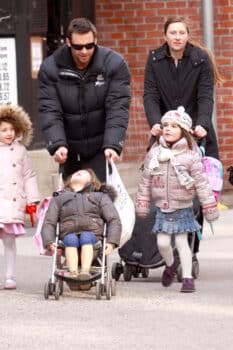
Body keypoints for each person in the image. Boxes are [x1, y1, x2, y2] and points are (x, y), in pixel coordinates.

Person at [143, 16, 222, 254]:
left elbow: (206, 95)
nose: (177, 37)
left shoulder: (200, 59)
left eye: (181, 33)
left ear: (188, 35)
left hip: (196, 132)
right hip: (166, 133)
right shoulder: (155, 59)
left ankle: (191, 249)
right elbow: (150, 95)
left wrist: (202, 124)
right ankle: (164, 246)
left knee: (195, 194)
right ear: (165, 35)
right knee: (162, 188)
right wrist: (156, 123)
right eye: (172, 33)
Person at [135, 106, 219, 293]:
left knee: (182, 242)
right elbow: (145, 180)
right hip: (162, 207)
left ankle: (188, 278)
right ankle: (171, 265)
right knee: (163, 243)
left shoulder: (191, 155)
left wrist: (208, 205)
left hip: (183, 207)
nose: (168, 129)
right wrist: (142, 201)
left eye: (174, 126)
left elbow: (202, 183)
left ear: (183, 130)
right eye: (165, 125)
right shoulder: (155, 153)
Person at [38, 17, 131, 182]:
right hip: (68, 147)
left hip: (100, 146)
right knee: (71, 201)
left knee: (99, 199)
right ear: (68, 42)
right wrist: (57, 143)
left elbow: (117, 108)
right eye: (78, 47)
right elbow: (49, 109)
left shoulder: (114, 64)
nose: (84, 51)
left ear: (96, 40)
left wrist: (112, 144)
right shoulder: (50, 68)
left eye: (89, 46)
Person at [41, 168, 121, 286]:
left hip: (93, 239)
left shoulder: (99, 197)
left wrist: (111, 241)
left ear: (92, 181)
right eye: (76, 172)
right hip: (68, 237)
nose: (78, 172)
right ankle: (73, 273)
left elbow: (114, 220)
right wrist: (49, 241)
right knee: (70, 239)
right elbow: (49, 222)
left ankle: (85, 271)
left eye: (84, 173)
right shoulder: (59, 198)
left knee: (86, 237)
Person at [0, 105, 40, 290]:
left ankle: (10, 276)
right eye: (3, 130)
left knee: (9, 241)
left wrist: (33, 198)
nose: (9, 133)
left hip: (13, 201)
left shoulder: (21, 151)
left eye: (11, 129)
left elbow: (28, 175)